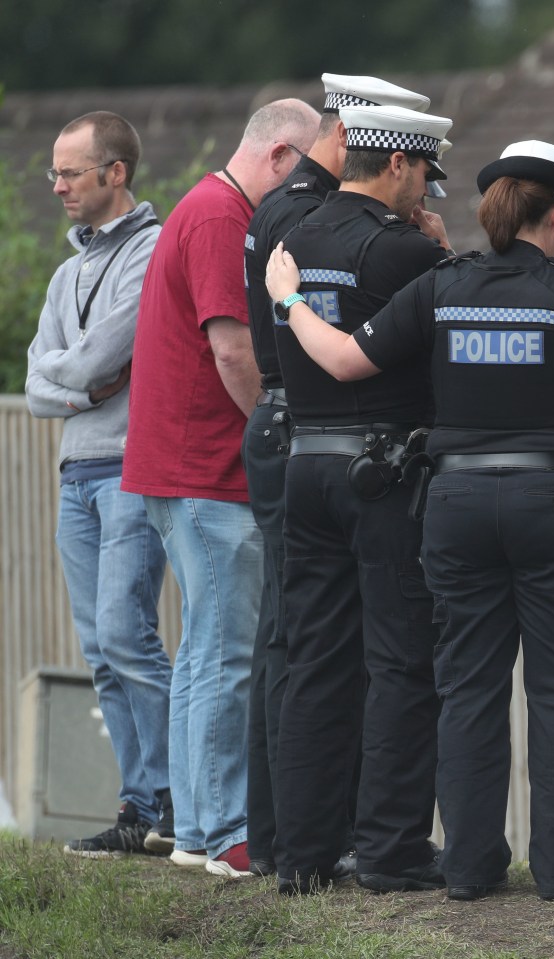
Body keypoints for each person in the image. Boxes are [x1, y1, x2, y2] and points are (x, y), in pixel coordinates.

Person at [266, 139, 554, 901]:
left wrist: (291, 301)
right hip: (552, 504)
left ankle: (470, 868)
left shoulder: (443, 287)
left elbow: (342, 361)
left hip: (455, 507)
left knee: (467, 684)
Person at [121, 98, 320, 879]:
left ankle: (199, 827)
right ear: (277, 158)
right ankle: (227, 824)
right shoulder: (219, 218)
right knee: (227, 652)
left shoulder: (206, 207)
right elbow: (233, 350)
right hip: (206, 467)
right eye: (301, 175)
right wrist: (278, 432)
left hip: (186, 466)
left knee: (207, 648)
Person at [241, 74, 432, 878]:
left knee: (312, 659)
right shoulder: (405, 248)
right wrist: (441, 250)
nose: (424, 185)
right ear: (395, 163)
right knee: (396, 659)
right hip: (381, 468)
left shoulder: (288, 229)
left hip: (304, 460)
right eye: (422, 169)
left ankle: (301, 854)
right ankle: (389, 848)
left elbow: (267, 352)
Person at [25, 111, 173, 857]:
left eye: (70, 173)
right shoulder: (65, 272)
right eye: (54, 173)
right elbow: (41, 374)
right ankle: (139, 804)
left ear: (116, 173)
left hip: (128, 467)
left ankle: (182, 796)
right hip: (74, 469)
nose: (56, 187)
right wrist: (82, 382)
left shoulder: (152, 252)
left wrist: (75, 374)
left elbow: (85, 360)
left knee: (127, 633)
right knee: (100, 649)